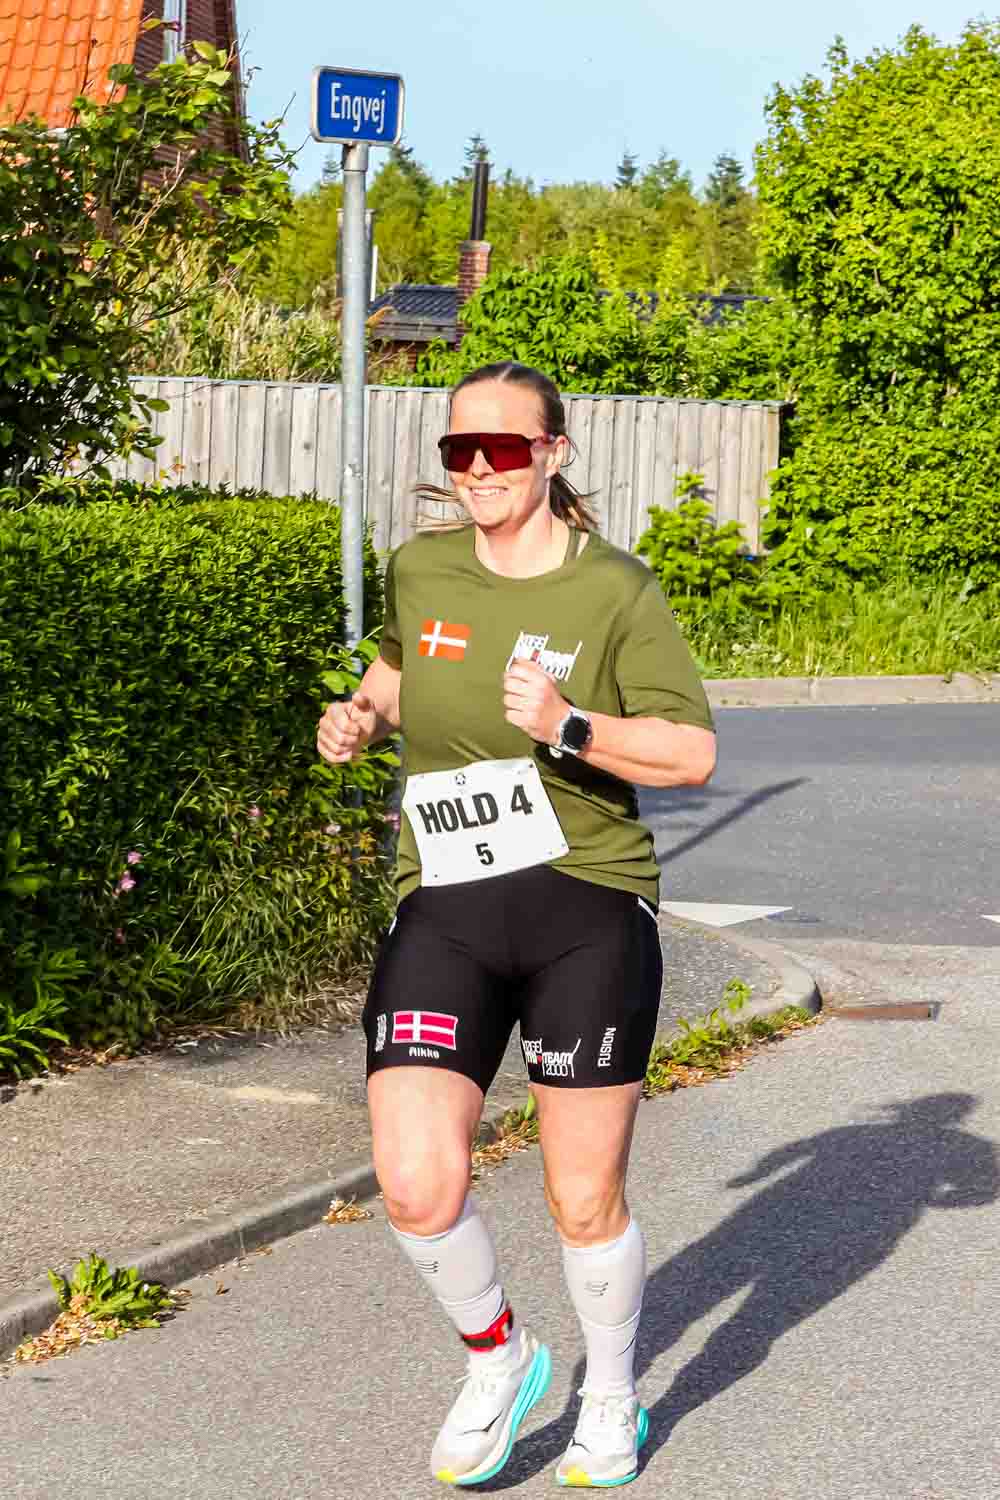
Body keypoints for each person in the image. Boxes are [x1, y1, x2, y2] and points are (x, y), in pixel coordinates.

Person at [316, 360, 716, 1488]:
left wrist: (568, 725)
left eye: (502, 447)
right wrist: (358, 717)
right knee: (413, 1180)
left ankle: (611, 1395)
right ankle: (500, 1359)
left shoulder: (614, 589)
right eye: (460, 449)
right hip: (445, 901)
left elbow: (691, 754)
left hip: (585, 903)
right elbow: (397, 673)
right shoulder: (422, 567)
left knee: (581, 1196)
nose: (479, 468)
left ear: (553, 453)